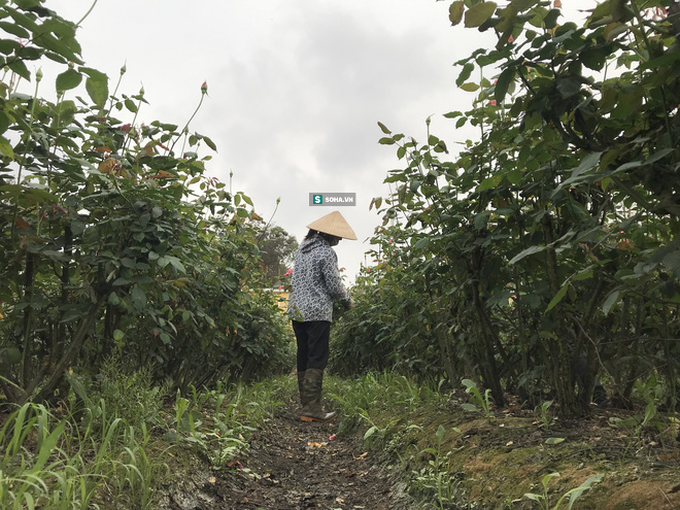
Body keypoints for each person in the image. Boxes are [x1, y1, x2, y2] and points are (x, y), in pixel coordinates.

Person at [288, 211, 356, 422]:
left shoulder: (301, 250)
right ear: (328, 235)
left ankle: (307, 406)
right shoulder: (326, 253)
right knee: (317, 357)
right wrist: (347, 300)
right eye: (338, 235)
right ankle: (313, 409)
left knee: (304, 355)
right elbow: (334, 286)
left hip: (297, 311)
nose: (340, 239)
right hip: (317, 312)